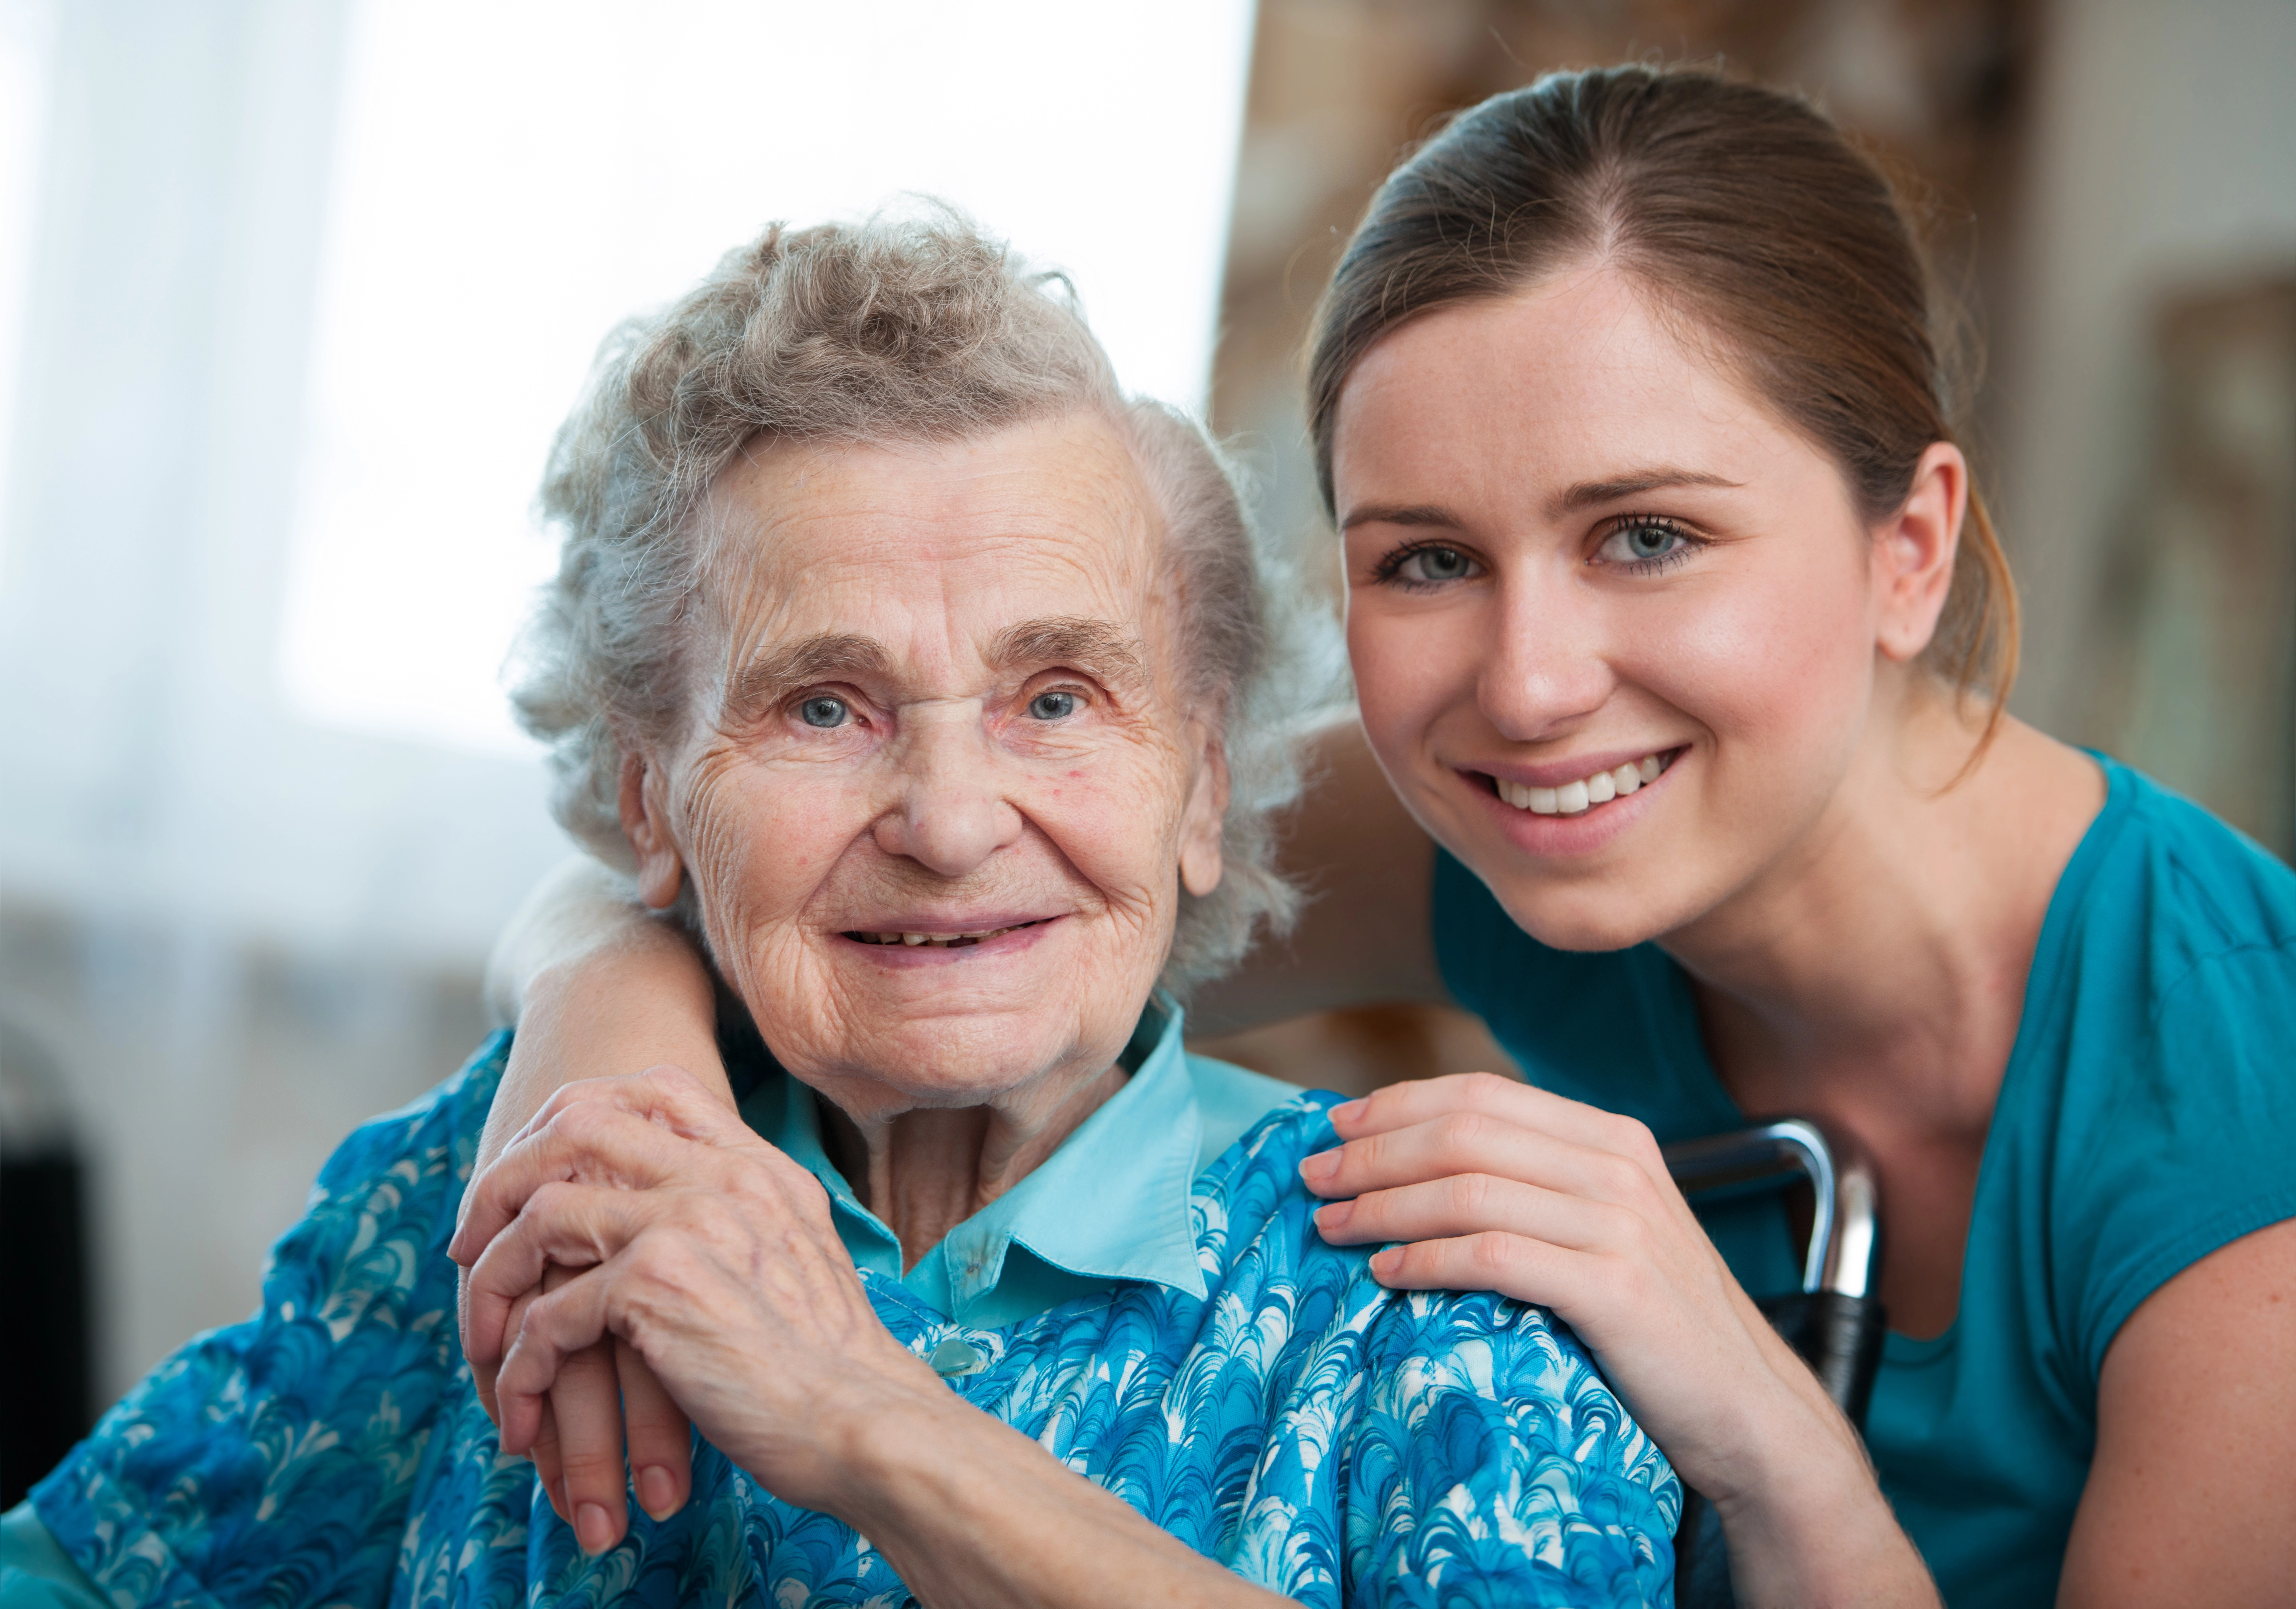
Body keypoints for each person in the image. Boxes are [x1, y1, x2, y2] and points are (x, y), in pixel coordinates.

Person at [454, 66, 2296, 1609]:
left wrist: (1756, 1424)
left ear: (1908, 550)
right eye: (1426, 558)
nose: (1532, 679)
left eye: (1646, 534)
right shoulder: (1477, 813)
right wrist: (605, 1079)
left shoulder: (2235, 1099)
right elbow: (857, 873)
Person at [0, 213, 1680, 1609]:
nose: (951, 825)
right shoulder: (510, 1188)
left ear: (1198, 787)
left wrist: (866, 1417)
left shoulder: (1432, 1302)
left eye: (1057, 699)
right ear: (650, 801)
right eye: (824, 707)